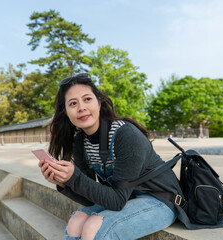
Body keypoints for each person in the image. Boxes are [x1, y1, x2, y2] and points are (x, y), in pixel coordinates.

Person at [38, 73, 184, 240]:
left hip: (161, 200)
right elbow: (89, 199)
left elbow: (117, 201)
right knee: (76, 222)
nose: (81, 108)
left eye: (87, 99)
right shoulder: (80, 141)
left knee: (93, 227)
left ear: (98, 103)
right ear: (66, 112)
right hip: (129, 197)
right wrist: (64, 182)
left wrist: (74, 177)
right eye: (73, 103)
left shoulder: (125, 135)